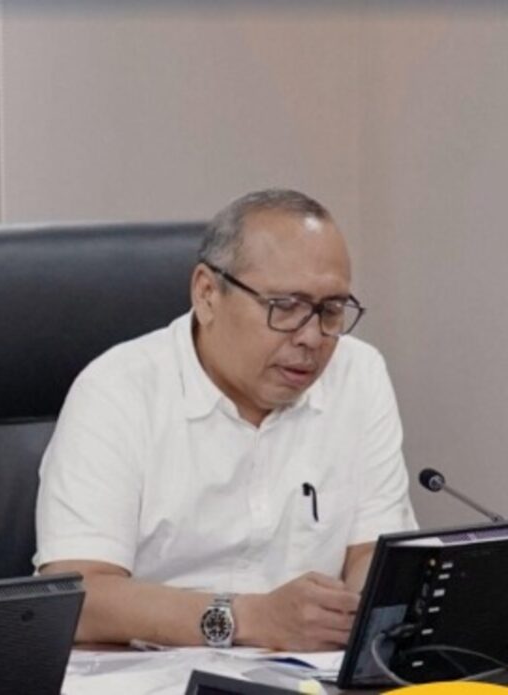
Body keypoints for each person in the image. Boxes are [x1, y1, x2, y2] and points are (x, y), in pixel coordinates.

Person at [34, 189, 417, 652]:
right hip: (152, 674)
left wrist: (363, 614)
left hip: (306, 675)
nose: (312, 337)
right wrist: (248, 618)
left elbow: (373, 551)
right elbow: (79, 597)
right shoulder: (118, 389)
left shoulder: (359, 373)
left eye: (331, 311)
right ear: (207, 294)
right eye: (285, 307)